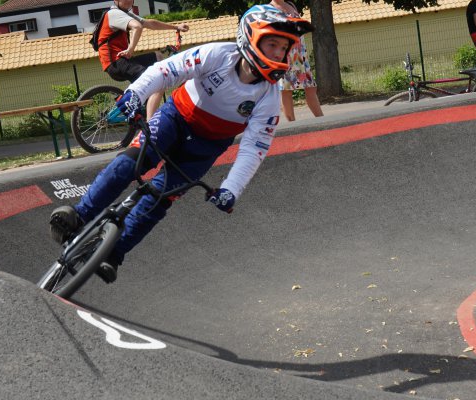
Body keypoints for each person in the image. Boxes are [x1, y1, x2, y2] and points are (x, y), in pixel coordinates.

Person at [50, 7, 313, 282]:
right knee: (129, 162)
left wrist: (231, 189)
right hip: (174, 119)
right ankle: (79, 215)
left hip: (205, 148)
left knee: (159, 200)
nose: (278, 54)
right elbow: (165, 71)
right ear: (250, 38)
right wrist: (134, 94)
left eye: (284, 48)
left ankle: (114, 254)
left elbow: (254, 148)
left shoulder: (269, 98)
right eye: (272, 44)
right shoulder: (218, 54)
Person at [96, 0, 190, 120]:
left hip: (121, 61)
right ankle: (150, 126)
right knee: (159, 79)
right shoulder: (114, 14)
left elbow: (150, 24)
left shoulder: (124, 14)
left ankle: (144, 100)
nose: (128, 1)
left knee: (157, 56)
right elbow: (137, 26)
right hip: (116, 63)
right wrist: (130, 49)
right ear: (116, 1)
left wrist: (176, 27)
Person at [265, 0, 322, 122]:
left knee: (311, 87)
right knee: (286, 90)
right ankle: (292, 125)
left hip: (301, 55)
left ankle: (321, 120)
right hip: (285, 56)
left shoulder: (291, 5)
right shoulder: (269, 9)